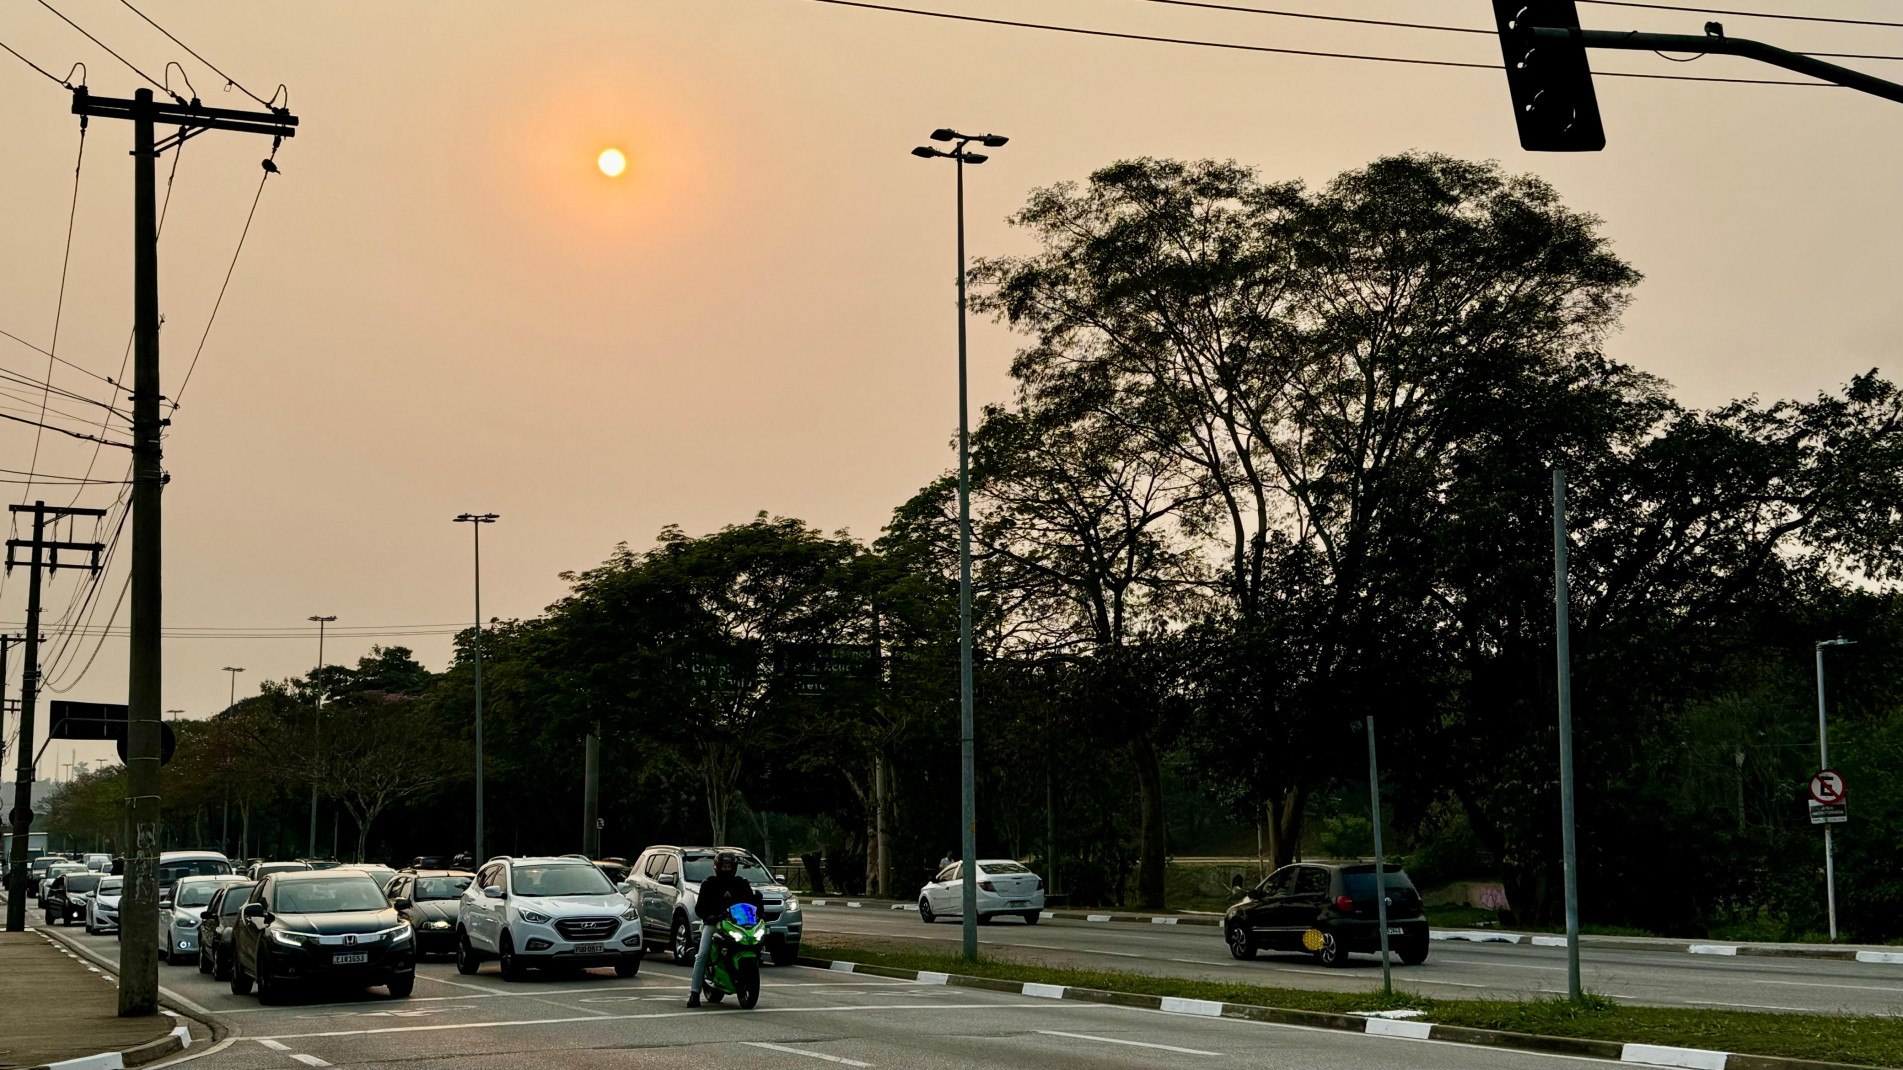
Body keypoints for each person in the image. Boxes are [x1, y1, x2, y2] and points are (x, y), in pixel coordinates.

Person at [687, 851, 762, 1007]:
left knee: (755, 939)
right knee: (702, 954)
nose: (727, 869)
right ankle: (694, 993)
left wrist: (759, 907)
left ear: (734, 867)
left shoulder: (741, 883)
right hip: (715, 924)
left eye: (730, 866)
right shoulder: (709, 884)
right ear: (717, 867)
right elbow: (700, 907)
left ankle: (742, 976)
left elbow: (751, 903)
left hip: (738, 924)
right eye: (724, 866)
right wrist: (709, 917)